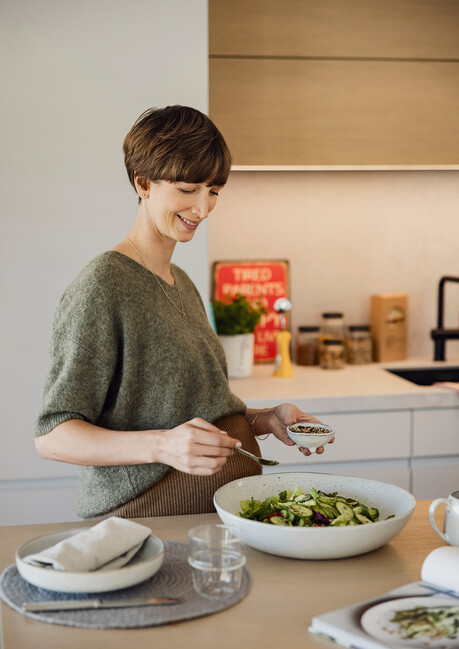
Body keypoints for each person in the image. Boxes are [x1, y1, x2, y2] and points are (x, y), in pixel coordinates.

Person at [34, 105, 332, 519]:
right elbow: (52, 436)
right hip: (153, 522)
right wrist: (162, 446)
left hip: (216, 515)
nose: (204, 208)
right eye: (188, 190)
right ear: (143, 183)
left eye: (213, 191)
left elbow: (188, 408)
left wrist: (265, 419)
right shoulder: (103, 285)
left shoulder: (181, 281)